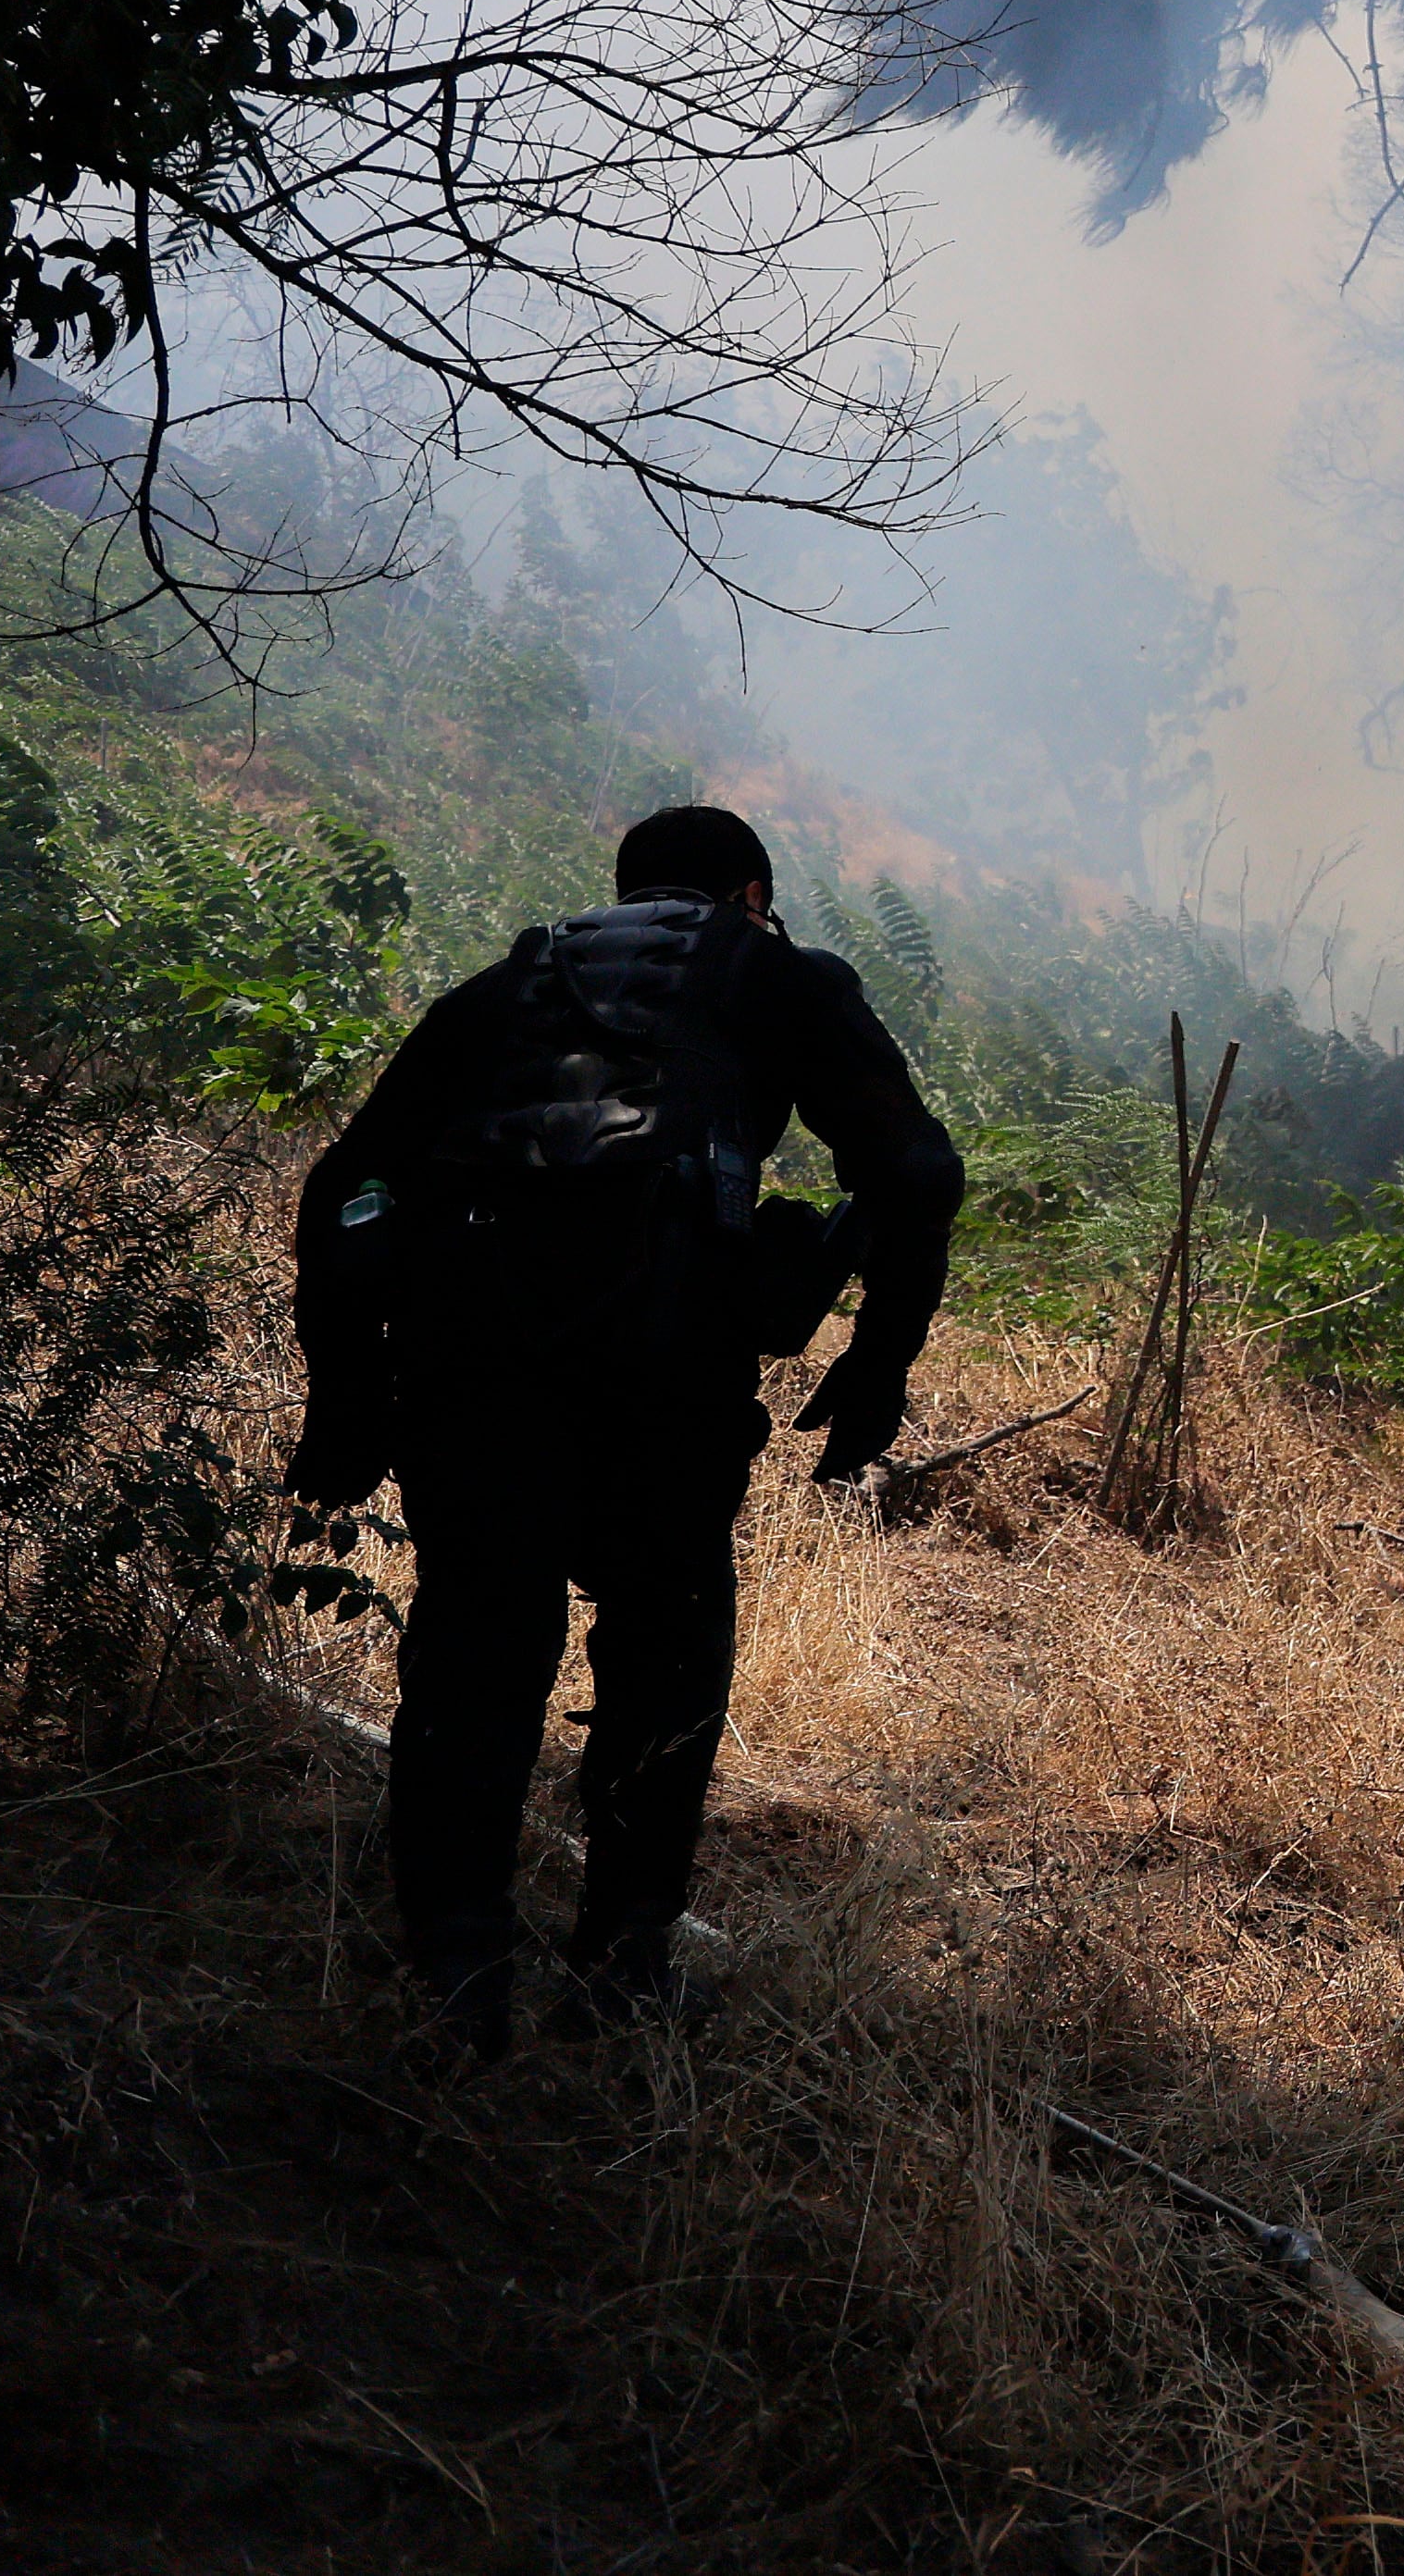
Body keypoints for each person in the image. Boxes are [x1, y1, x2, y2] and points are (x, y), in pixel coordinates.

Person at [284, 806, 963, 2056]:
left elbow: (346, 1188)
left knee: (475, 1652)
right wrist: (878, 1366)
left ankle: (455, 1977)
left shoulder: (504, 986)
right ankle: (619, 1971)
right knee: (664, 1647)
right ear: (752, 891)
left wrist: (345, 1397)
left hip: (468, 1352)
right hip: (662, 1363)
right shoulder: (777, 972)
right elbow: (916, 1171)